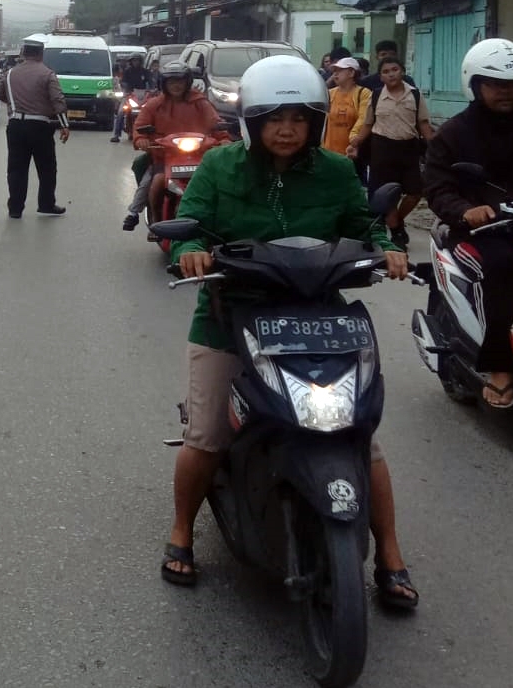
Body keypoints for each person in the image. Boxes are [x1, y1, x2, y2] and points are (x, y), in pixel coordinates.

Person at [162, 55, 418, 610]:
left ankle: (392, 556)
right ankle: (181, 532)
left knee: (361, 438)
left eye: (299, 119)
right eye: (274, 118)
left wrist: (391, 247)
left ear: (316, 123)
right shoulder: (218, 168)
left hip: (320, 320)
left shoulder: (335, 171)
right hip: (231, 317)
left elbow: (364, 224)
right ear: (253, 123)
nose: (286, 129)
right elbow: (192, 224)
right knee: (206, 435)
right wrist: (190, 251)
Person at [422, 38, 513, 408]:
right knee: (503, 270)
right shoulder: (453, 134)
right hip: (482, 231)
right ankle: (499, 367)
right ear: (475, 84)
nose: (507, 92)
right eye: (497, 84)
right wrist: (466, 209)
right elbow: (437, 186)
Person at [122, 61, 228, 232]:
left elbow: (216, 123)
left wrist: (223, 139)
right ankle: (152, 221)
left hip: (200, 157)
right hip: (164, 157)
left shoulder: (200, 103)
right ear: (164, 84)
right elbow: (139, 126)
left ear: (188, 82)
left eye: (180, 81)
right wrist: (141, 138)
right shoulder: (154, 104)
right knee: (155, 182)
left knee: (221, 182)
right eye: (171, 82)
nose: (176, 86)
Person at [347, 56, 434, 249]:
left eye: (394, 69)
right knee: (387, 194)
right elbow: (368, 124)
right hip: (382, 149)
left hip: (408, 149)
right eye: (386, 72)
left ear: (402, 71)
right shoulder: (376, 96)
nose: (391, 74)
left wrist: (436, 147)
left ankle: (396, 221)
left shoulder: (416, 95)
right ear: (381, 77)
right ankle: (397, 232)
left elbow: (424, 125)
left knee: (415, 192)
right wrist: (356, 143)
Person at [0, 37, 70, 218]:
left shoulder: (10, 73)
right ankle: (46, 204)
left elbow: (0, 94)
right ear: (40, 54)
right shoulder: (48, 74)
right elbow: (57, 100)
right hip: (39, 126)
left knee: (16, 169)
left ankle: (15, 209)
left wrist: (16, 106)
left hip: (15, 125)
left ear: (23, 53)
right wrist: (64, 125)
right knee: (46, 168)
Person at [322, 57, 371, 157]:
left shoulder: (363, 93)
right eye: (334, 71)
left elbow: (364, 119)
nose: (335, 74)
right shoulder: (330, 94)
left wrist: (354, 140)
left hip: (351, 152)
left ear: (352, 73)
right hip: (328, 152)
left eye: (339, 70)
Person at [111, 54, 152, 143]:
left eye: (137, 60)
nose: (136, 62)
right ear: (131, 62)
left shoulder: (146, 72)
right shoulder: (127, 72)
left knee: (153, 111)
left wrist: (153, 90)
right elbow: (123, 82)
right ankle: (116, 135)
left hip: (143, 95)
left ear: (141, 62)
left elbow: (151, 82)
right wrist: (126, 89)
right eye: (134, 60)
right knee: (121, 112)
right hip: (129, 95)